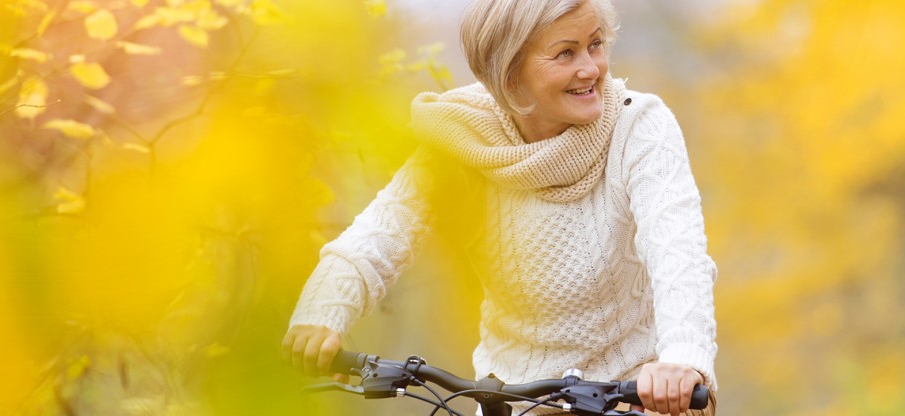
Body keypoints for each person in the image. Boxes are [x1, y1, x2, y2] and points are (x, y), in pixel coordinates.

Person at [279, 1, 718, 414]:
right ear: (510, 76)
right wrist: (322, 313)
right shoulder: (467, 140)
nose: (591, 68)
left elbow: (677, 253)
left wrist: (682, 359)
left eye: (596, 44)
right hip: (508, 399)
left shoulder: (638, 126)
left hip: (636, 395)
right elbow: (375, 238)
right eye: (565, 54)